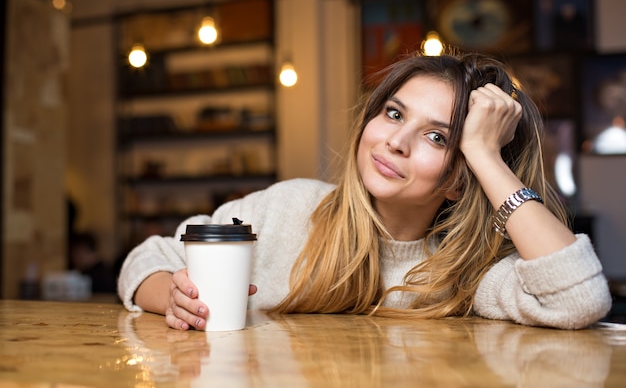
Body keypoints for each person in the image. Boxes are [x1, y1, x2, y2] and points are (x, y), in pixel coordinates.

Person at [118, 51, 612, 330]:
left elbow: (580, 299)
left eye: (438, 137)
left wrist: (485, 156)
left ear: (462, 183)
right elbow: (149, 257)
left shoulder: (467, 276)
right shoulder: (288, 207)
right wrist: (172, 295)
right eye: (393, 114)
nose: (395, 141)